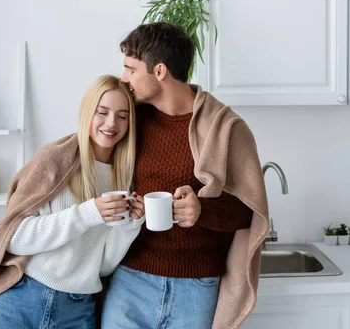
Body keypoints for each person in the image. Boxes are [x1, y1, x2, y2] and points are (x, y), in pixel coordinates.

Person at [101, 22, 270, 329]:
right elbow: (87, 151)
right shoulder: (130, 119)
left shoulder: (226, 128)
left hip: (196, 289)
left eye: (130, 69)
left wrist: (203, 209)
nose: (124, 79)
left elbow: (250, 212)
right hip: (131, 280)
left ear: (160, 71)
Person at [0, 75, 145, 328]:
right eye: (102, 112)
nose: (111, 123)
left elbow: (101, 267)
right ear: (87, 112)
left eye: (122, 116)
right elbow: (13, 238)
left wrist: (131, 226)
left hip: (77, 311)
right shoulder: (56, 160)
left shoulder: (124, 180)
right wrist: (88, 213)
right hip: (20, 300)